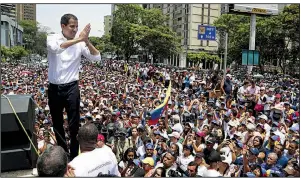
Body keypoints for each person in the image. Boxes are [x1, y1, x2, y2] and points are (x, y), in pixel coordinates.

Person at [47, 13, 101, 160]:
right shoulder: (52, 38)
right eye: (72, 26)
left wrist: (86, 41)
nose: (75, 29)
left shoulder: (80, 42)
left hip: (71, 87)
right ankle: (63, 154)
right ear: (63, 26)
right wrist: (80, 38)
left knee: (74, 124)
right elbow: (58, 48)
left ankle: (74, 155)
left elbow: (97, 58)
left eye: (77, 27)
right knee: (57, 122)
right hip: (54, 88)